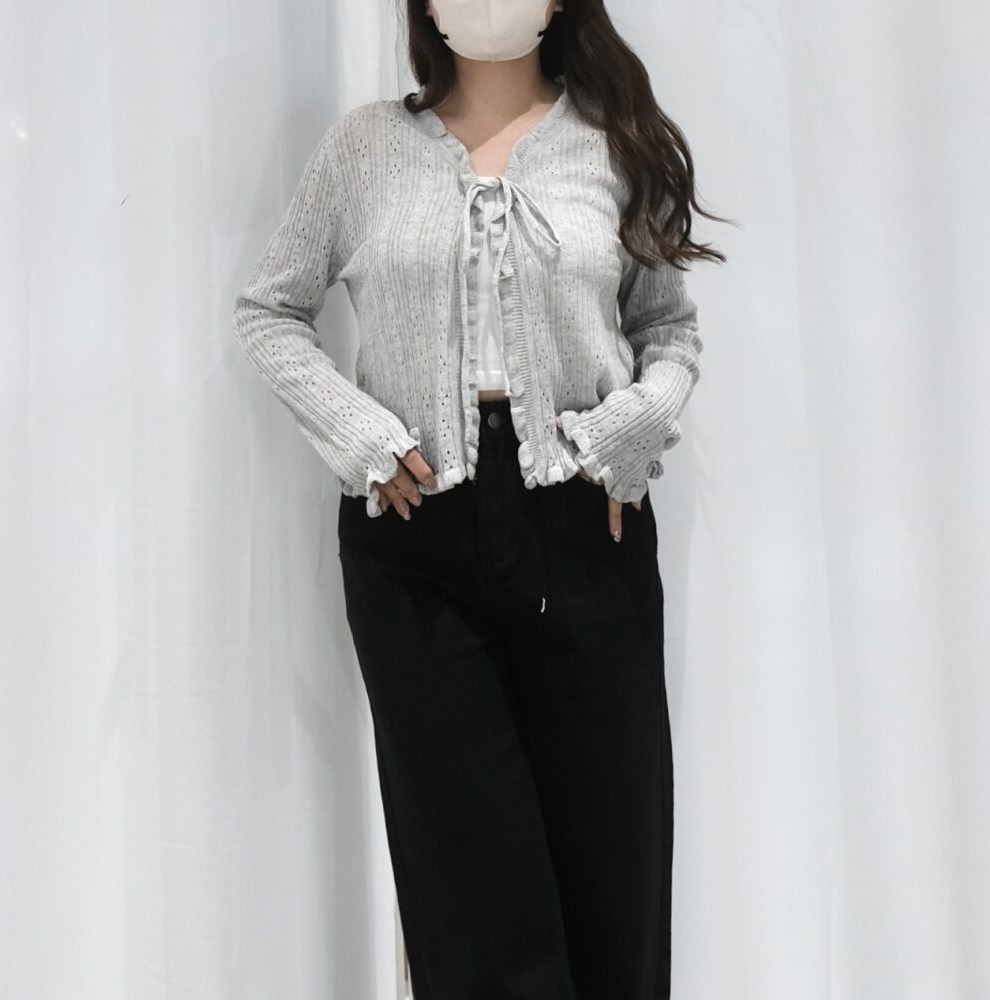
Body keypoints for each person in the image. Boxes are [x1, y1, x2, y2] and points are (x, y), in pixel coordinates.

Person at [233, 2, 727, 996]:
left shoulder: (611, 142)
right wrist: (361, 436)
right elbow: (271, 311)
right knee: (472, 898)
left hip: (587, 521)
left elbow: (668, 332)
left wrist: (627, 431)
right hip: (417, 537)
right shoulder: (365, 149)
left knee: (615, 877)